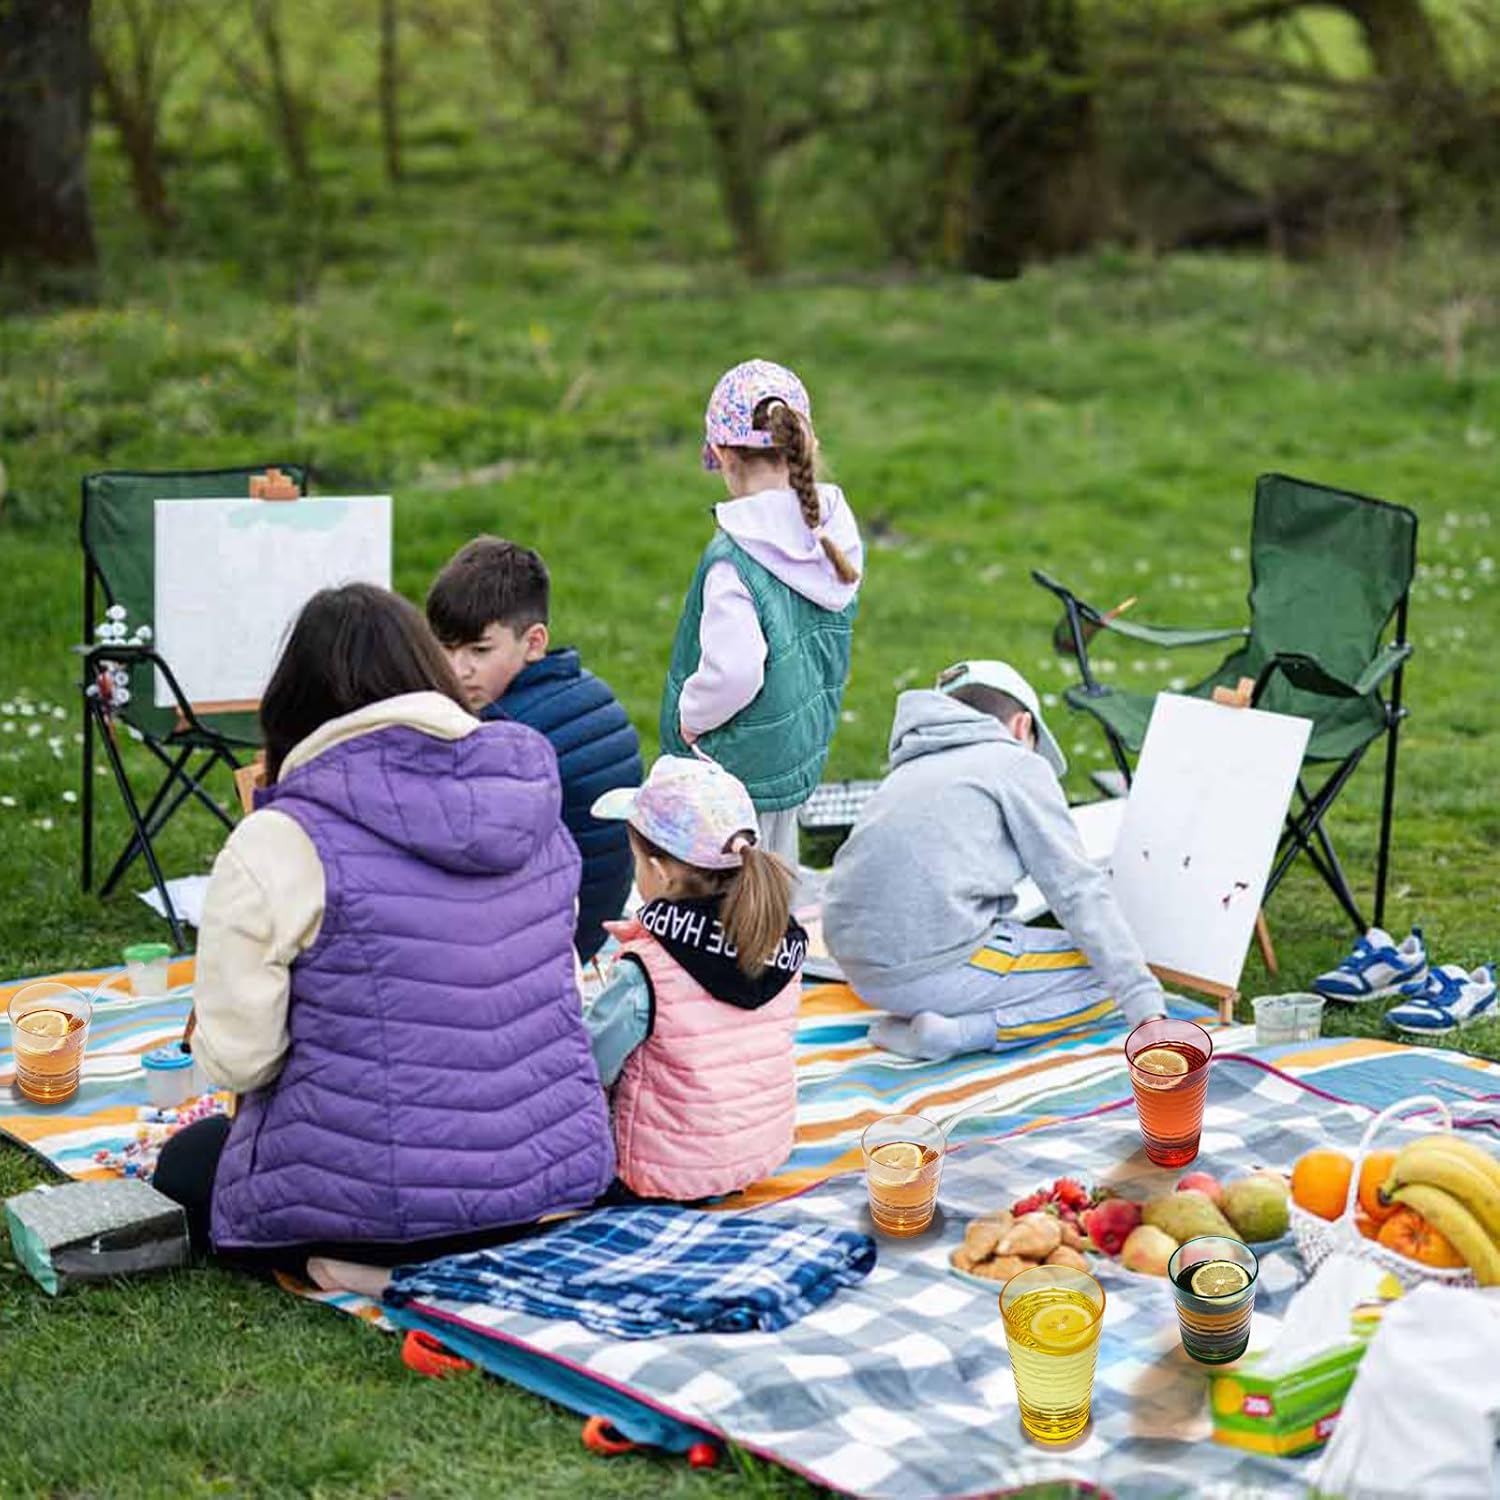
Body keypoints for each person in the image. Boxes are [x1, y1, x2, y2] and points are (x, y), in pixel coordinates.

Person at [154, 583, 615, 1281]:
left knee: (188, 1161)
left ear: (294, 702)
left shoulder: (280, 838)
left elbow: (239, 1061)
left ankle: (341, 1266)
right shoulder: (528, 798)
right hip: (547, 1184)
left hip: (381, 1214)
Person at [823, 660, 1167, 1060]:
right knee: (1114, 977)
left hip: (859, 971)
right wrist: (1144, 1002)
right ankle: (955, 1034)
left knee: (1081, 961)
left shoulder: (909, 769)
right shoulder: (1015, 762)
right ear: (1022, 727)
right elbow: (1075, 888)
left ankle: (929, 1019)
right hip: (939, 966)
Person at [659, 358, 863, 869]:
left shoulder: (734, 559)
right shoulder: (832, 537)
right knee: (777, 877)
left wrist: (691, 718)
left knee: (727, 894)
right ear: (805, 445)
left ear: (723, 455)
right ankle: (778, 946)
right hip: (795, 749)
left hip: (734, 766)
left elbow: (735, 672)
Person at [584, 755, 807, 1201]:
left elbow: (590, 1062)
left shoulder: (647, 966)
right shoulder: (781, 939)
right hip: (756, 1153)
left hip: (656, 1175)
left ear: (660, 872)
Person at [426, 536, 642, 963]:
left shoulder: (500, 735)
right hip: (596, 925)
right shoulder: (594, 693)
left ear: (534, 642)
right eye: (446, 649)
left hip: (541, 948)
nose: (457, 669)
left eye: (479, 650)